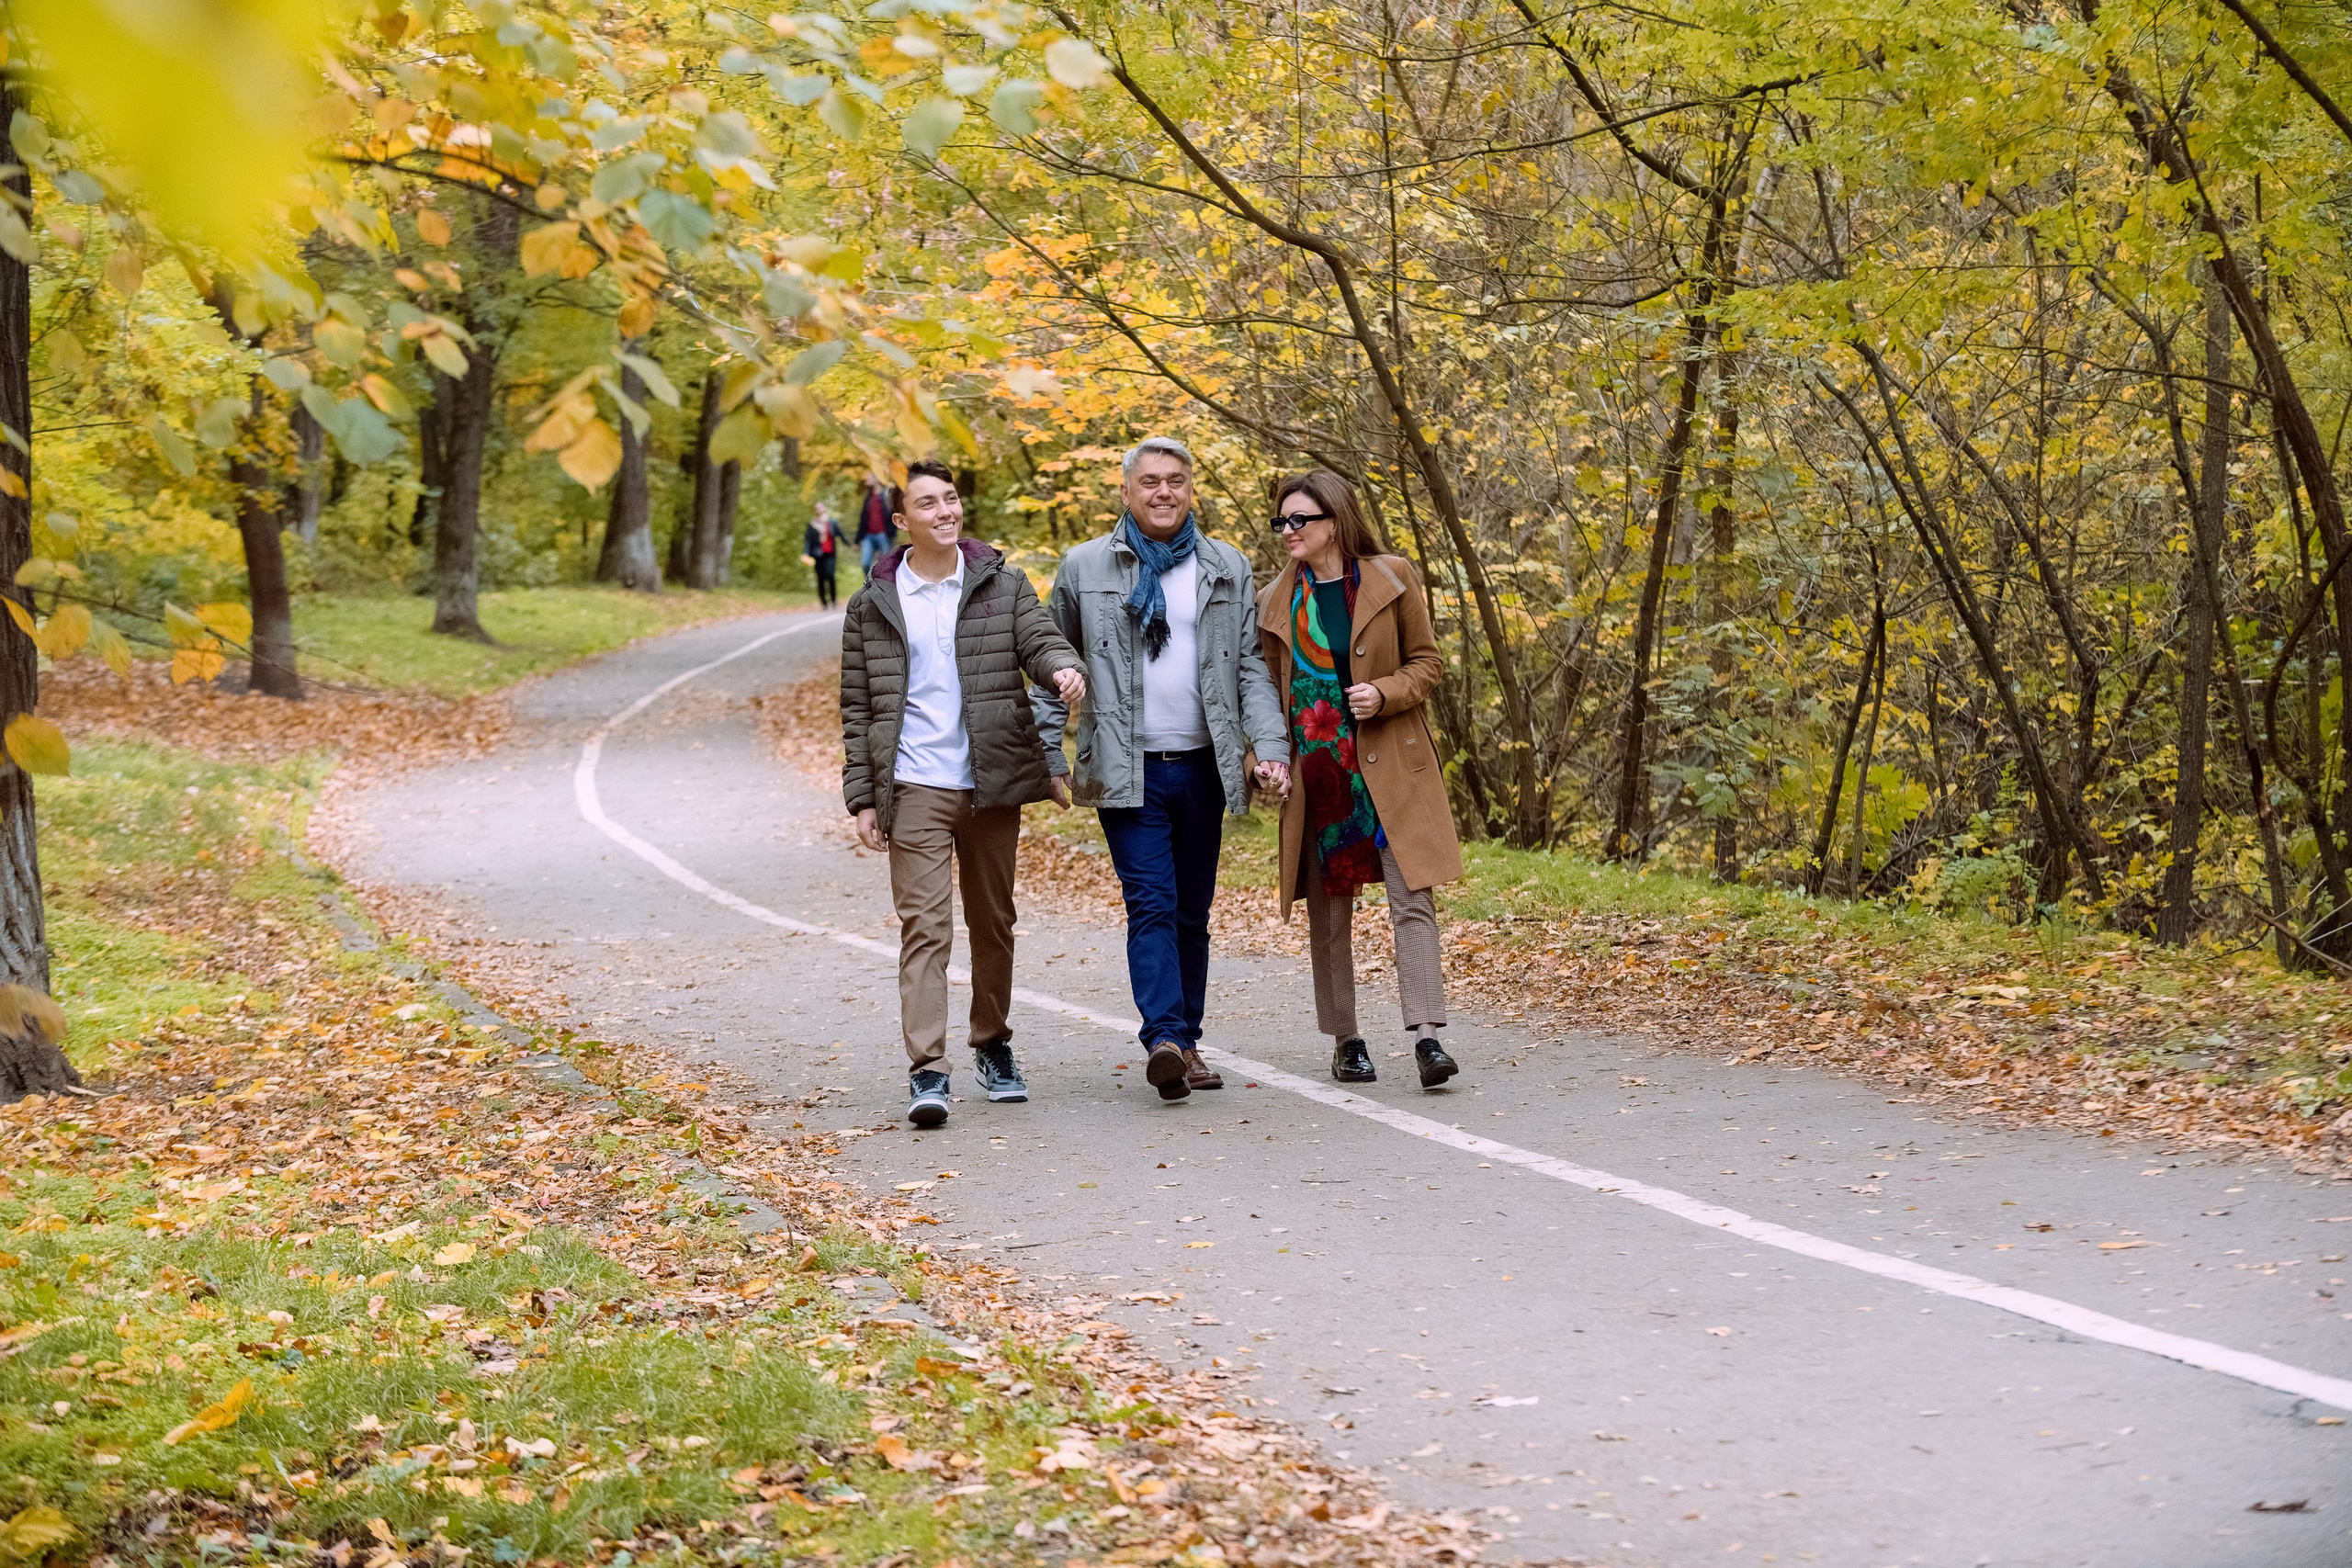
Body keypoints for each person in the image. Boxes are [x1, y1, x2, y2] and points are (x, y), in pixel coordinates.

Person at [1035, 436, 1289, 1102]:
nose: (1163, 492)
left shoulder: (1226, 566)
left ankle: (1188, 1038)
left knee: (1191, 913)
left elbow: (1249, 667)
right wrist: (1047, 752)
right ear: (1126, 491)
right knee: (1152, 902)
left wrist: (1271, 747)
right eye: (1149, 481)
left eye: (1176, 480)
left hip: (1204, 766)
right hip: (1127, 768)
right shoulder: (1086, 566)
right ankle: (1165, 1039)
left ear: (1191, 489)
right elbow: (1045, 655)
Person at [840, 460, 1086, 1127]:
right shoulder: (873, 603)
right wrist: (863, 795)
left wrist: (1062, 665)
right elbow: (858, 707)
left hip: (991, 780)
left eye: (950, 498)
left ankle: (993, 1043)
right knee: (926, 927)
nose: (946, 510)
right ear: (902, 522)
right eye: (928, 502)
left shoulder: (1001, 583)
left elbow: (1037, 637)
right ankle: (928, 1069)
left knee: (994, 922)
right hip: (914, 784)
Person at [1258, 470, 1464, 1088]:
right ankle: (1347, 1039)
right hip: (1319, 771)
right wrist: (1262, 761)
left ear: (1335, 521)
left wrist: (1387, 691)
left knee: (1413, 898)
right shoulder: (1271, 600)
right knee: (1330, 913)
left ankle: (1428, 1037)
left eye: (1300, 520)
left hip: (1392, 763)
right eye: (1282, 521)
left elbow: (1427, 663)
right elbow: (1265, 695)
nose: (1288, 531)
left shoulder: (1392, 576)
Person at [803, 501, 846, 607]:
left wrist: (852, 544)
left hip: (830, 553)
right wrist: (806, 553)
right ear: (815, 511)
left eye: (820, 507)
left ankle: (834, 600)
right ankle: (823, 602)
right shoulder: (812, 525)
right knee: (820, 578)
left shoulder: (831, 523)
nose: (819, 510)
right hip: (818, 554)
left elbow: (840, 535)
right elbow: (808, 540)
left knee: (830, 575)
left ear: (824, 509)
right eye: (816, 508)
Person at [856, 476, 898, 576]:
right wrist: (857, 540)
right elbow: (863, 519)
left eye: (869, 477)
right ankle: (871, 585)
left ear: (877, 479)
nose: (866, 479)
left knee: (885, 565)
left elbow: (895, 514)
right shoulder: (868, 498)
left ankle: (884, 587)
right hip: (868, 536)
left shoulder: (887, 496)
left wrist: (892, 533)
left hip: (883, 535)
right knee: (865, 564)